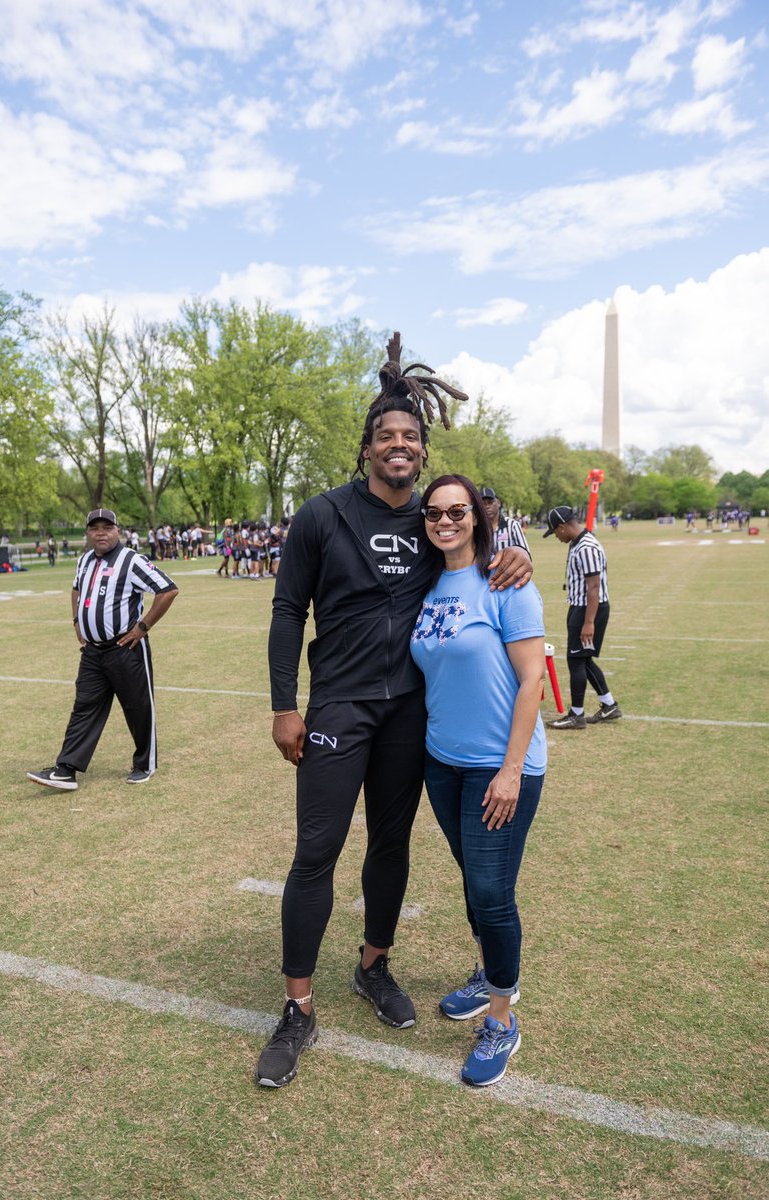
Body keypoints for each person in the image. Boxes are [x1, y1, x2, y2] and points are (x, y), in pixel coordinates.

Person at [256, 332, 533, 1089]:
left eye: (411, 435)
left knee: (391, 842)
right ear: (369, 447)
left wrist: (519, 553)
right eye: (387, 436)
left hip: (409, 711)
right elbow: (287, 612)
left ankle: (373, 965)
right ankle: (297, 1007)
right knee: (317, 849)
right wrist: (286, 706)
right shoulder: (321, 516)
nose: (400, 446)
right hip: (338, 706)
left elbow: (479, 542)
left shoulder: (430, 520)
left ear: (422, 445)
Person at [410, 474, 546, 1086]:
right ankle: (487, 970)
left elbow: (532, 681)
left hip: (502, 766)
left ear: (477, 515)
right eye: (435, 512)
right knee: (474, 883)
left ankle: (502, 1022)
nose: (445, 520)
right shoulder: (424, 583)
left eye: (457, 510)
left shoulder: (506, 581)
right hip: (442, 763)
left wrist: (511, 769)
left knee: (492, 891)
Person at [26, 509, 178, 791]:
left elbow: (168, 589)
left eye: (107, 527)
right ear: (88, 533)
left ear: (117, 530)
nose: (101, 533)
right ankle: (66, 769)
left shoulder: (131, 560)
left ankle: (145, 764)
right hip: (93, 652)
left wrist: (142, 627)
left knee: (138, 707)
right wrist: (76, 622)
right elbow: (75, 589)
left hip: (125, 647)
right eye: (94, 528)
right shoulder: (84, 560)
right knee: (83, 707)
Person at [542, 506, 622, 730]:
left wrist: (588, 622)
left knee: (576, 660)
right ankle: (609, 705)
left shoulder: (586, 547)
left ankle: (576, 714)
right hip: (581, 608)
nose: (556, 537)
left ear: (562, 526)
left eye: (555, 532)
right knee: (583, 659)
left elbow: (593, 587)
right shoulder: (578, 542)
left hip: (587, 609)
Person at [478, 487, 530, 554]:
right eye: (483, 504)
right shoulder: (478, 529)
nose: (487, 506)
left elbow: (525, 553)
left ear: (498, 503)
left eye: (490, 502)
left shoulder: (512, 525)